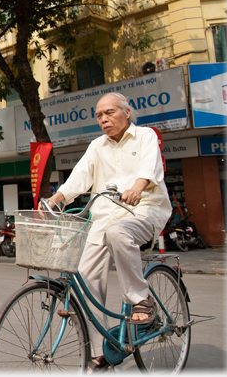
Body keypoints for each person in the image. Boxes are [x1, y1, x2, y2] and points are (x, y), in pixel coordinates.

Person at [45, 92, 171, 371]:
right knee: (85, 278)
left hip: (143, 211)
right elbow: (80, 176)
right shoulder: (96, 146)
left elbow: (150, 168)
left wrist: (137, 188)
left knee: (118, 233)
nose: (104, 119)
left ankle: (141, 300)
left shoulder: (145, 136)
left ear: (127, 112)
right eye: (99, 115)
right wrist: (56, 200)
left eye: (110, 113)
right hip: (103, 219)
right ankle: (100, 352)